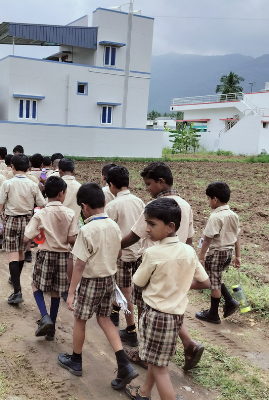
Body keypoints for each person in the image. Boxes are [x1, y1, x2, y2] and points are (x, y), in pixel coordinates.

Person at [120, 162, 203, 371]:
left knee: (147, 308)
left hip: (155, 264)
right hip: (179, 263)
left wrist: (112, 246)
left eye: (149, 184)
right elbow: (190, 239)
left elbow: (135, 235)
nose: (147, 189)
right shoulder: (185, 205)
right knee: (171, 308)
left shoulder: (156, 207)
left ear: (161, 182)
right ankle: (189, 343)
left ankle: (144, 353)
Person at [127, 198, 211, 400]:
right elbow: (205, 282)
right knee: (156, 360)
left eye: (152, 224)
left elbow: (138, 282)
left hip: (156, 317)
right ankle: (144, 392)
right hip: (175, 318)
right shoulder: (189, 251)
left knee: (160, 368)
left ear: (170, 226)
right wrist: (180, 285)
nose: (147, 229)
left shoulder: (152, 253)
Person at [58, 183, 138, 391]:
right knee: (105, 319)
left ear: (84, 207)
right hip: (109, 280)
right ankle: (123, 364)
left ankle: (76, 360)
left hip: (91, 282)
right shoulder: (113, 226)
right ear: (103, 202)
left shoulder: (86, 230)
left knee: (80, 320)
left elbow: (79, 264)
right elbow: (118, 253)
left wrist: (71, 293)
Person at [24, 176, 79, 341]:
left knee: (35, 284)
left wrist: (38, 234)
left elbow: (27, 237)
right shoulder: (70, 213)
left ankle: (44, 316)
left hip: (46, 254)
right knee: (56, 290)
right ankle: (51, 328)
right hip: (63, 256)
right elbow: (71, 238)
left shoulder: (40, 214)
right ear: (61, 193)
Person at [0, 154, 46, 304]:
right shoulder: (33, 184)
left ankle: (17, 291)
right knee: (21, 252)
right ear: (28, 168)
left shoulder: (8, 183)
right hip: (27, 221)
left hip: (11, 220)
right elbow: (41, 204)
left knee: (13, 255)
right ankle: (15, 282)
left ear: (12, 167)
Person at [104, 166, 145, 348]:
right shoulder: (140, 202)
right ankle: (140, 329)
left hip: (123, 255)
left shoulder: (112, 206)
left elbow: (108, 232)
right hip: (139, 253)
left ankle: (131, 330)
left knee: (124, 293)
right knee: (139, 294)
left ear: (111, 185)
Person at [196, 182, 242, 324]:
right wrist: (238, 256)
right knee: (216, 277)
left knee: (214, 284)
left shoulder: (215, 217)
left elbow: (207, 239)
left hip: (217, 253)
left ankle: (213, 314)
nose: (208, 201)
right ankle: (230, 301)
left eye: (209, 198)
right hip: (228, 252)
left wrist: (201, 257)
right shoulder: (233, 215)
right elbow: (236, 237)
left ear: (215, 199)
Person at [58, 158, 82, 301]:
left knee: (55, 253)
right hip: (74, 225)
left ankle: (56, 283)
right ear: (74, 171)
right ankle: (69, 285)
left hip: (57, 224)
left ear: (59, 170)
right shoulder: (80, 187)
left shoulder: (57, 184)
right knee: (70, 257)